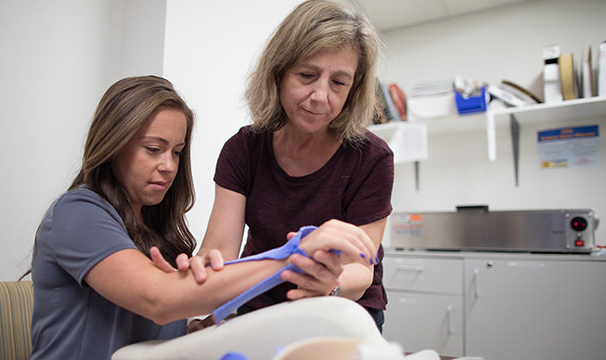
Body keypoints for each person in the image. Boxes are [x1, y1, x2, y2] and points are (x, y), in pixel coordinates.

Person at [26, 75, 377, 359]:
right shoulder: (78, 213)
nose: (168, 166)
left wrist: (191, 334)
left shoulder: (156, 232)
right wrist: (293, 254)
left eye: (177, 152)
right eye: (153, 149)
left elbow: (156, 323)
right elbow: (157, 299)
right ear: (113, 144)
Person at [181, 0, 394, 332]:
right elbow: (219, 251)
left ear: (353, 90)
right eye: (307, 75)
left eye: (338, 82)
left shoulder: (372, 158)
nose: (320, 96)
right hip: (261, 308)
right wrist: (203, 298)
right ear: (278, 74)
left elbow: (361, 270)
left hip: (343, 312)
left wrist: (329, 285)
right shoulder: (243, 150)